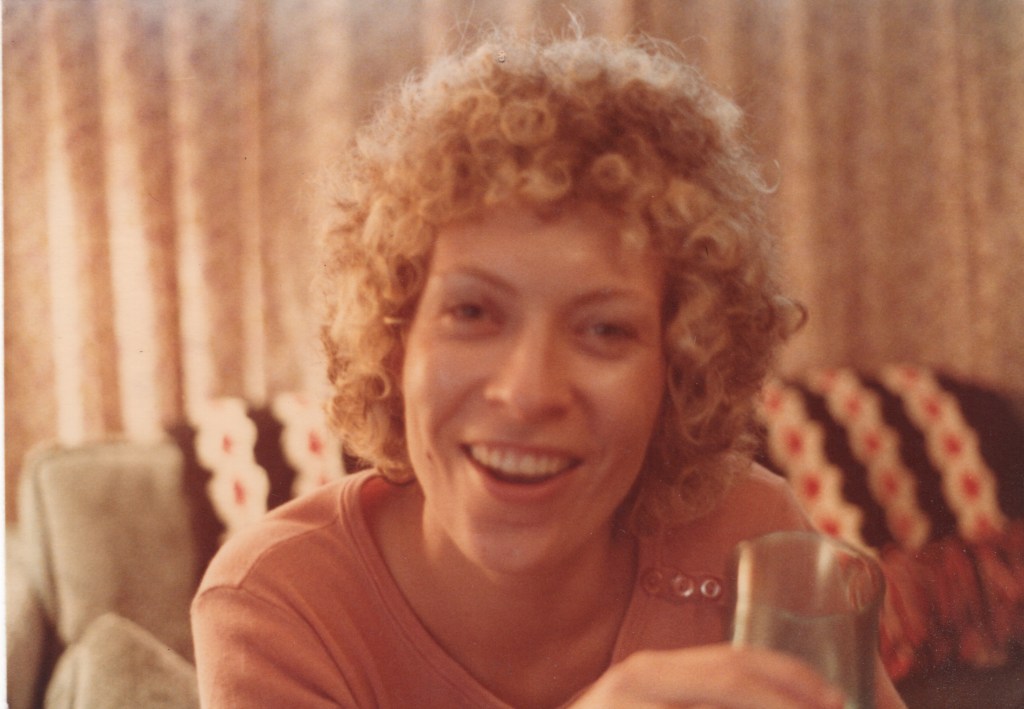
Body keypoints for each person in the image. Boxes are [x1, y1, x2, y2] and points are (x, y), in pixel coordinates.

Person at [191, 31, 906, 709]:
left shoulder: (748, 537)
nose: (528, 392)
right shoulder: (281, 602)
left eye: (604, 329)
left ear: (679, 374)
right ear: (394, 339)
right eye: (473, 312)